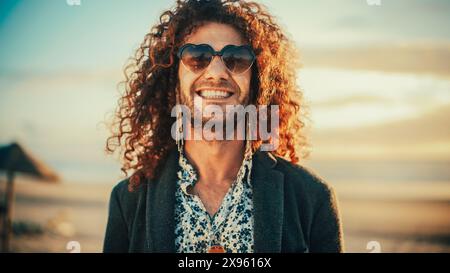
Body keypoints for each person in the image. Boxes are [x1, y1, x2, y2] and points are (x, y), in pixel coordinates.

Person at [104, 0, 343, 253]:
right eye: (197, 57)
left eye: (236, 59)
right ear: (173, 77)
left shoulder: (312, 197)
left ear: (257, 82)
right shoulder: (128, 200)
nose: (216, 72)